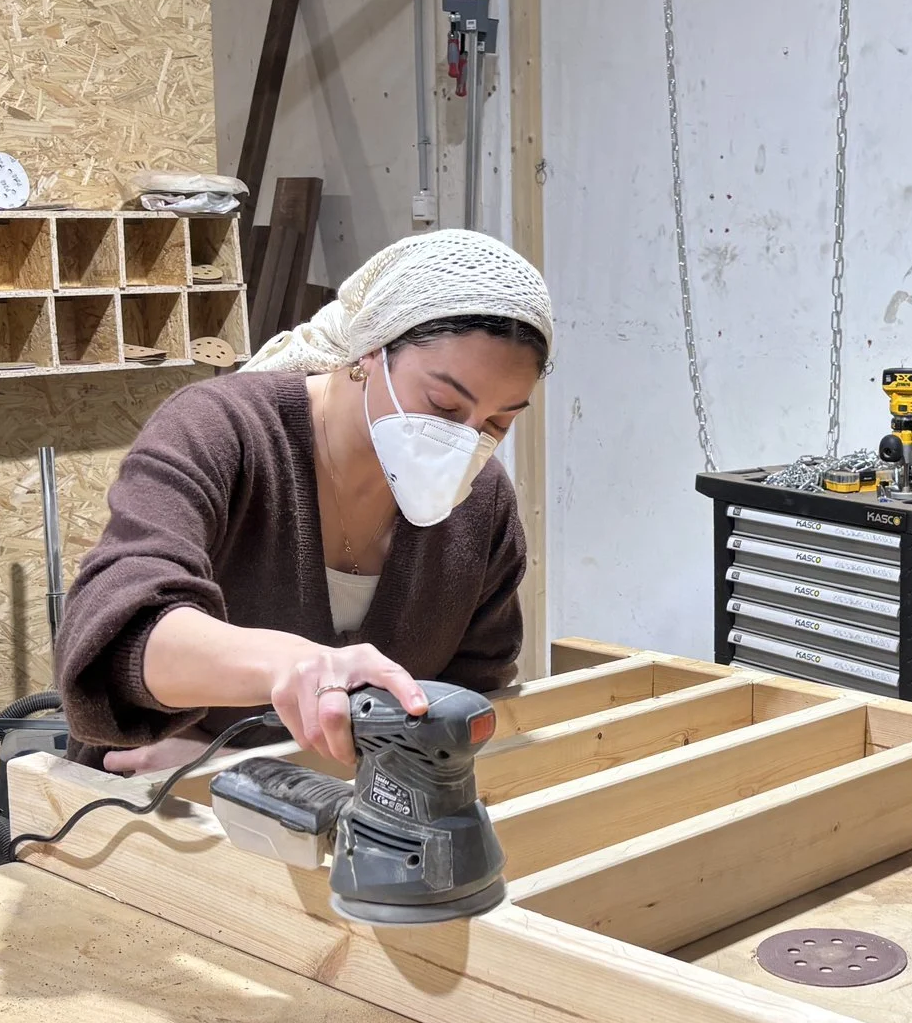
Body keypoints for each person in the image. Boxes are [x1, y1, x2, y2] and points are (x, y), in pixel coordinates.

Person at [58, 229, 552, 775]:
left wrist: (257, 770)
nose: (465, 440)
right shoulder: (220, 431)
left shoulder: (480, 503)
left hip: (352, 814)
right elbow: (120, 631)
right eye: (443, 403)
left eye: (499, 421)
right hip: (157, 804)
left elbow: (465, 699)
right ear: (372, 351)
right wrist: (288, 665)